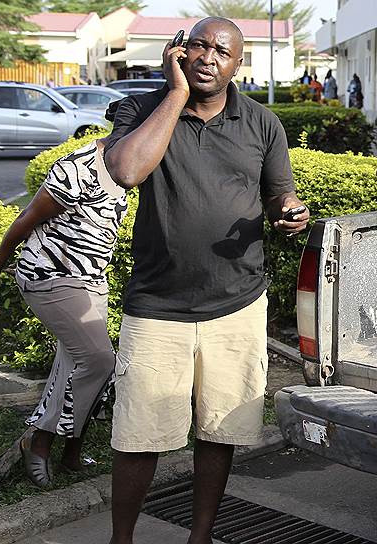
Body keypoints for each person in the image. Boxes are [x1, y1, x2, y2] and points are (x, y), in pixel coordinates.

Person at [102, 17, 309, 544]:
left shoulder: (262, 123)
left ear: (239, 64)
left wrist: (287, 209)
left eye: (222, 51)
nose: (208, 57)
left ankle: (200, 537)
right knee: (138, 435)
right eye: (198, 45)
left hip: (237, 303)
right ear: (180, 50)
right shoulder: (143, 109)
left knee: (219, 430)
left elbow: (277, 191)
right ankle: (120, 539)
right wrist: (173, 95)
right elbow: (127, 170)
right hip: (157, 306)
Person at [0, 129, 125, 488]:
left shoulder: (132, 166)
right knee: (99, 359)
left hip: (91, 279)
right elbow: (26, 219)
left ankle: (70, 449)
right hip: (48, 274)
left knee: (77, 362)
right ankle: (40, 439)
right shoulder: (79, 167)